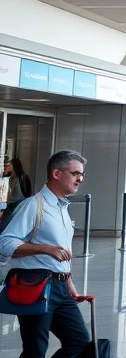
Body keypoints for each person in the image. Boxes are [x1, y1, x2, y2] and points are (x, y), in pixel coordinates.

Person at [0, 150, 91, 358]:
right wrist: (44, 248)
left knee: (79, 342)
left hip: (61, 287)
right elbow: (4, 242)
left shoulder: (62, 208)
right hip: (36, 285)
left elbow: (63, 250)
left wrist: (69, 283)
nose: (80, 179)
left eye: (82, 174)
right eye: (75, 173)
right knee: (35, 349)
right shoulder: (33, 206)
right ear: (56, 173)